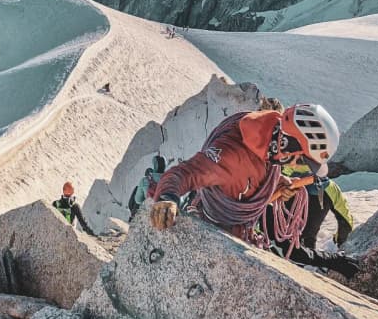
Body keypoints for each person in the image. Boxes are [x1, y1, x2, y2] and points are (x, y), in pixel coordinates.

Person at [146, 103, 359, 276]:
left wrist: (275, 185)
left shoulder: (266, 131)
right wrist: (167, 197)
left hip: (237, 229)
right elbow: (186, 173)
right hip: (216, 233)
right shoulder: (231, 154)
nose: (298, 166)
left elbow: (253, 175)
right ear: (287, 145)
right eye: (301, 159)